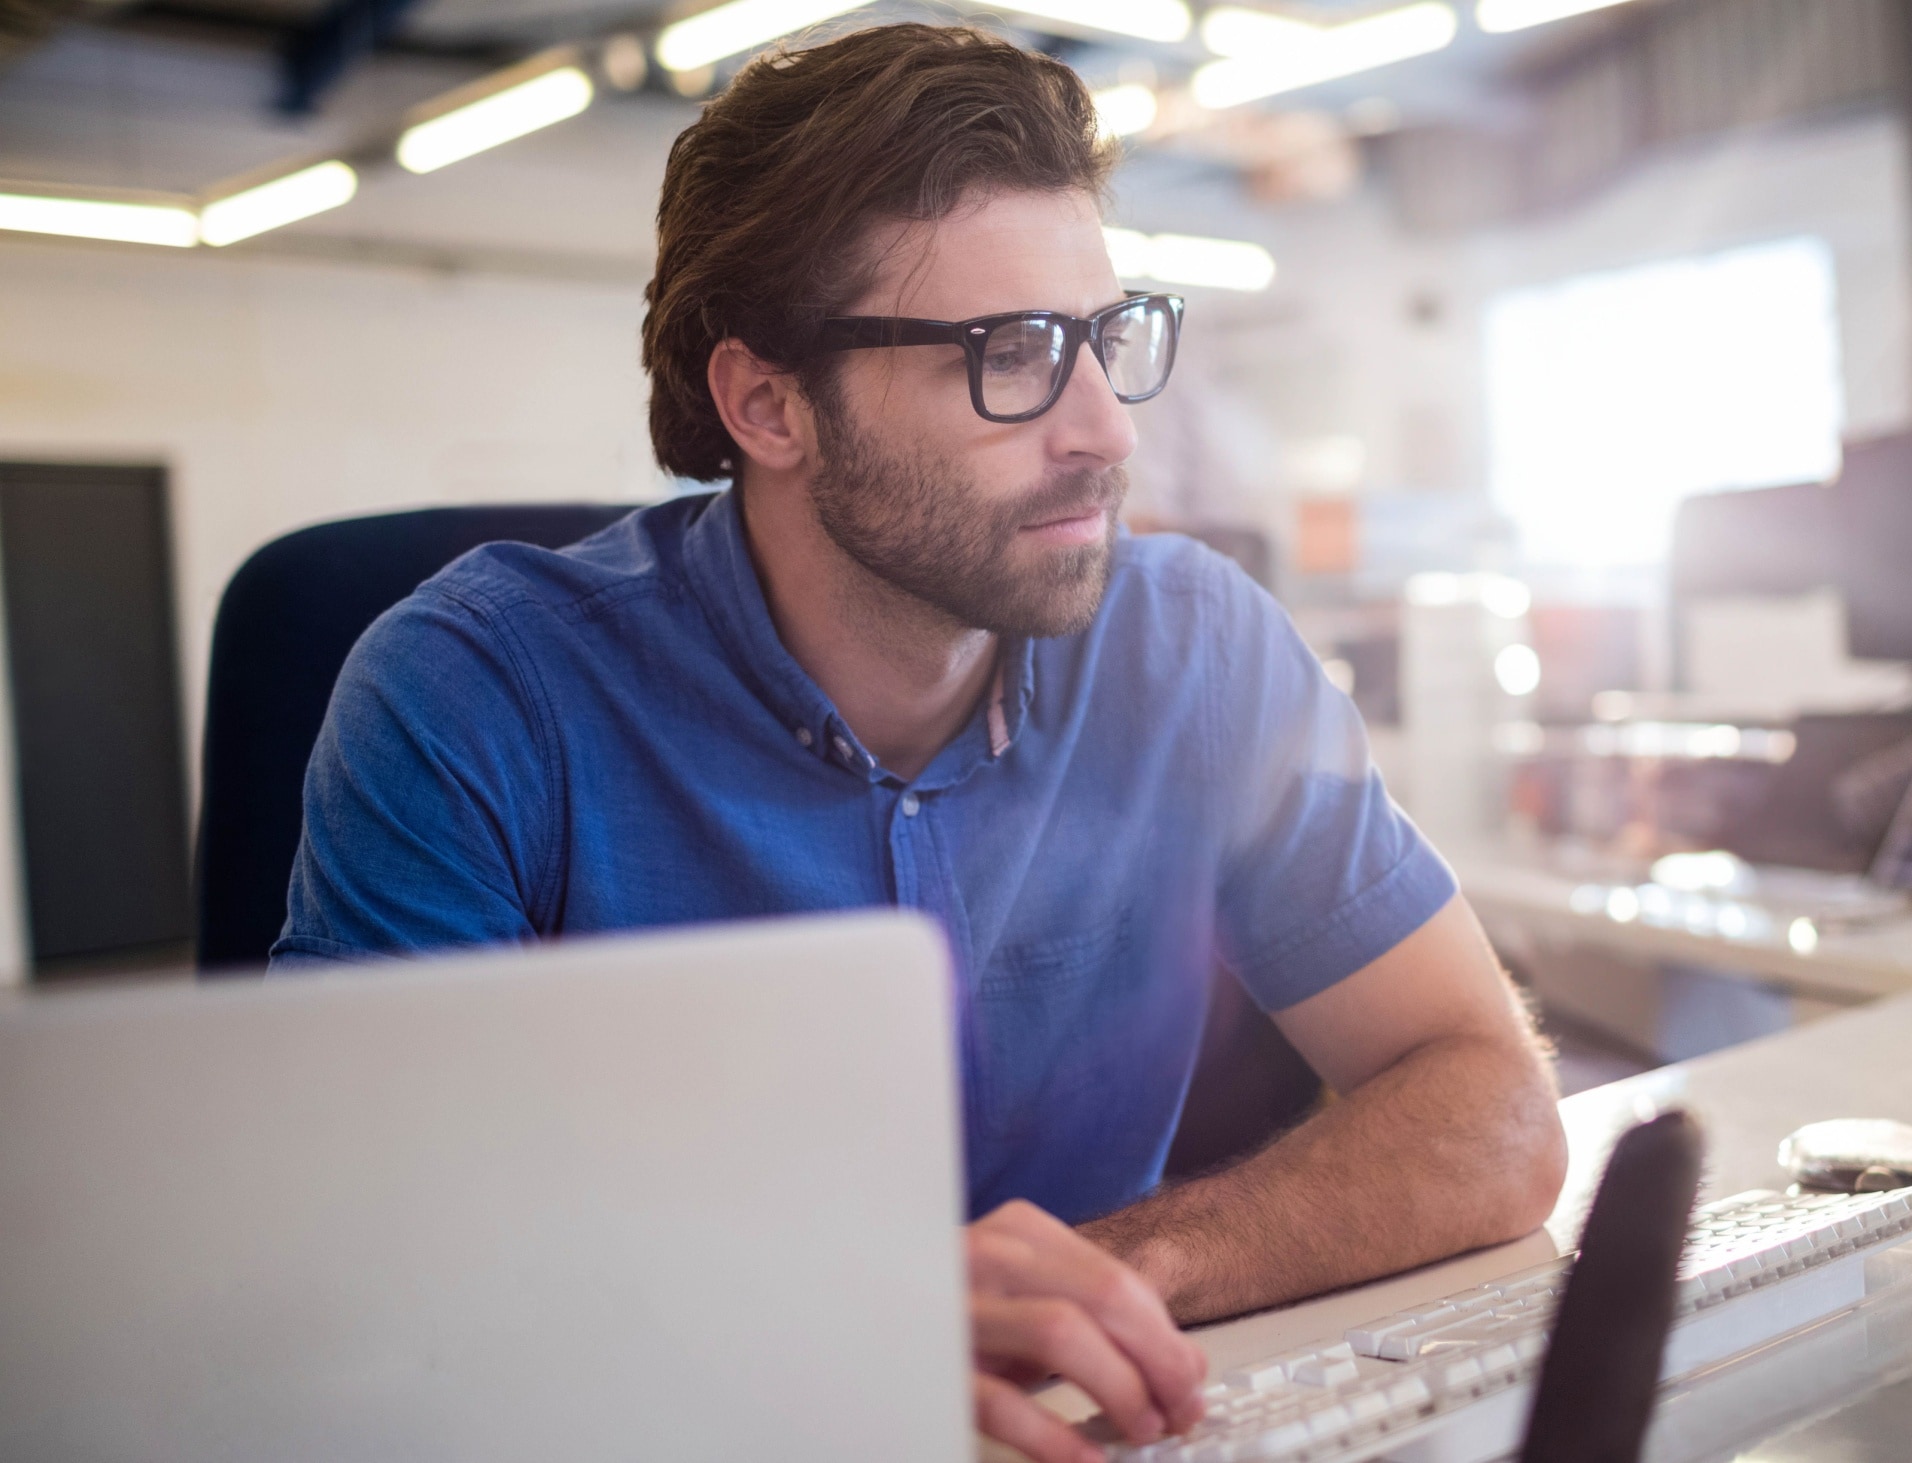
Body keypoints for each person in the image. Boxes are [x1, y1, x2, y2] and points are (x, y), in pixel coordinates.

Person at [274, 22, 1567, 1462]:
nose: (1105, 433)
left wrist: (1127, 1272)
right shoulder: (476, 697)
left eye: (1103, 338)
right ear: (767, 403)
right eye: (1008, 355)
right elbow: (362, 1280)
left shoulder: (1197, 648)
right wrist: (839, 1324)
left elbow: (1492, 1109)